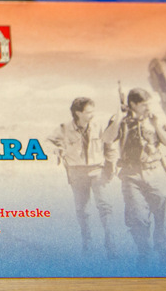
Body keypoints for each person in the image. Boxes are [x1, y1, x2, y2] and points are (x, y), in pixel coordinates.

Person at [103, 87, 166, 264]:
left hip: (155, 171)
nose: (148, 107)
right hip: (131, 175)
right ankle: (144, 252)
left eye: (148, 104)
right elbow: (106, 138)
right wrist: (118, 118)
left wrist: (157, 125)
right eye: (144, 105)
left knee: (164, 213)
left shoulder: (155, 119)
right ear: (133, 104)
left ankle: (165, 253)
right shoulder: (120, 121)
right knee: (137, 217)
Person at [48, 97, 117, 258]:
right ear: (78, 113)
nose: (92, 115)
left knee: (105, 207)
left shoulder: (99, 126)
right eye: (88, 112)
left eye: (93, 111)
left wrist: (112, 165)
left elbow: (110, 146)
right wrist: (56, 149)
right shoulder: (64, 128)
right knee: (82, 210)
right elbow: (47, 142)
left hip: (98, 170)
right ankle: (88, 244)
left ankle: (111, 244)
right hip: (76, 172)